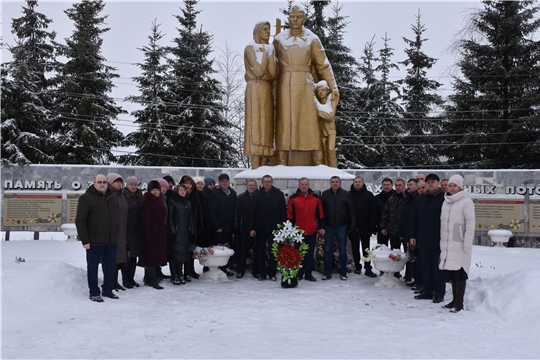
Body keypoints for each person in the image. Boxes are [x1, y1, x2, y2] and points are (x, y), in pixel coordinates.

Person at [273, 5, 338, 166]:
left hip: (305, 84)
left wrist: (333, 86)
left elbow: (323, 65)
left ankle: (318, 161)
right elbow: (272, 64)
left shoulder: (312, 39)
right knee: (284, 122)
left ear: (304, 18)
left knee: (309, 123)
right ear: (288, 18)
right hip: (284, 85)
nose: (295, 20)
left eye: (298, 17)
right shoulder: (279, 39)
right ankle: (281, 161)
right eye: (292, 17)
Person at [76, 174, 119, 302]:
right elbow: (80, 220)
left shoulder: (112, 197)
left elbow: (116, 218)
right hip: (94, 241)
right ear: (94, 183)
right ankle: (94, 292)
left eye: (104, 182)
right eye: (99, 182)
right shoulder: (86, 198)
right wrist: (85, 240)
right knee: (93, 267)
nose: (102, 184)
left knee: (110, 266)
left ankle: (108, 289)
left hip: (111, 240)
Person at [244, 21, 277, 169]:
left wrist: (270, 54)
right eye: (264, 29)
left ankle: (263, 167)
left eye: (269, 30)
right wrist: (266, 56)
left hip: (266, 90)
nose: (267, 32)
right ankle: (255, 167)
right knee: (255, 126)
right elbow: (257, 71)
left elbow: (272, 73)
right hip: (254, 89)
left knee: (266, 127)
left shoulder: (269, 49)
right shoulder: (250, 48)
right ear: (257, 31)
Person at [439, 175, 475, 313]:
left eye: (455, 186)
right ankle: (454, 300)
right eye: (450, 185)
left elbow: (470, 223)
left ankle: (460, 303)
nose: (452, 188)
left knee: (460, 273)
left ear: (460, 187)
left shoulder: (466, 202)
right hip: (448, 243)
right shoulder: (446, 201)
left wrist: (467, 242)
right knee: (452, 273)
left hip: (460, 244)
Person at [410, 173, 446, 303]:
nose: (430, 184)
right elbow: (414, 218)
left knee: (437, 267)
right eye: (428, 182)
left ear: (438, 183)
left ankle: (439, 292)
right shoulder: (420, 199)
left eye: (433, 182)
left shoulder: (444, 198)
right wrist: (413, 235)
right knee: (425, 266)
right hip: (423, 238)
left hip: (438, 238)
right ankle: (427, 291)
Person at [287, 177, 325, 282]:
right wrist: (290, 228)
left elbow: (320, 213)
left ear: (309, 185)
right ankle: (299, 273)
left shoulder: (315, 198)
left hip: (311, 230)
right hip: (298, 232)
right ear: (299, 186)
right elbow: (289, 214)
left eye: (306, 184)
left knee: (309, 253)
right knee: (298, 254)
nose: (304, 186)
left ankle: (308, 273)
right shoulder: (293, 198)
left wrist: (321, 226)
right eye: (302, 184)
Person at [250, 175, 287, 281]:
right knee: (260, 251)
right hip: (260, 228)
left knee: (274, 251)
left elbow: (282, 212)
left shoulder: (278, 194)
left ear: (272, 182)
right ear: (262, 182)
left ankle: (272, 272)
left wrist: (283, 229)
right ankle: (262, 273)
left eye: (269, 181)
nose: (267, 183)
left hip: (274, 228)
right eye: (265, 181)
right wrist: (252, 228)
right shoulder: (257, 195)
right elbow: (252, 213)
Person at [321, 176, 356, 281]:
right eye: (333, 182)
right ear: (330, 183)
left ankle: (343, 272)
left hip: (342, 226)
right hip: (329, 226)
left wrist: (352, 226)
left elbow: (351, 211)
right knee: (328, 250)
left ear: (340, 183)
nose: (335, 183)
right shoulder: (325, 194)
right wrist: (322, 225)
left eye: (336, 182)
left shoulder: (346, 194)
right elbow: (321, 211)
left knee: (342, 250)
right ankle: (327, 272)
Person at [141, 180, 168, 290]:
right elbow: (145, 220)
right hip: (151, 232)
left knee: (156, 257)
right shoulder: (147, 202)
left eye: (157, 189)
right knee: (151, 258)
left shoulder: (160, 201)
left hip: (160, 232)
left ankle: (150, 278)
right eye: (153, 190)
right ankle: (153, 279)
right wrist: (147, 236)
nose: (156, 192)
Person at [348, 176, 377, 277]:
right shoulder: (349, 195)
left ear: (363, 183)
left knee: (366, 249)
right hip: (353, 228)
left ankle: (368, 268)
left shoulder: (369, 195)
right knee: (355, 249)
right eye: (356, 182)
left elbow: (374, 211)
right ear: (353, 183)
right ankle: (357, 267)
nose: (357, 183)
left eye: (359, 182)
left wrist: (372, 226)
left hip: (365, 227)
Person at [209, 174, 237, 276]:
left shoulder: (233, 194)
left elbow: (235, 211)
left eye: (226, 181)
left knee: (227, 248)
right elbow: (212, 211)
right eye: (222, 181)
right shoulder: (215, 194)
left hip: (229, 227)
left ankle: (226, 267)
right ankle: (216, 268)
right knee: (218, 248)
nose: (225, 183)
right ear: (219, 183)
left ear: (229, 182)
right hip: (219, 228)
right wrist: (217, 226)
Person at [167, 184, 194, 285]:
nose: (183, 192)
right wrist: (173, 230)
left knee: (183, 254)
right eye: (181, 190)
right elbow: (170, 217)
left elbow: (190, 217)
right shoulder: (172, 201)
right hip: (177, 232)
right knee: (175, 254)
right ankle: (174, 275)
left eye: (184, 190)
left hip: (185, 232)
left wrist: (192, 229)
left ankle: (180, 273)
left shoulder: (188, 203)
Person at [107, 173, 129, 291]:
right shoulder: (108, 194)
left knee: (118, 259)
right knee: (112, 258)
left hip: (122, 231)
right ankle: (110, 282)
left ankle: (115, 281)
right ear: (110, 183)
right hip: (112, 232)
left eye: (120, 182)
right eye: (116, 182)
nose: (119, 184)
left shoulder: (121, 195)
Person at [234, 179, 259, 278]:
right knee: (243, 251)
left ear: (256, 186)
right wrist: (236, 228)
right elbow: (237, 214)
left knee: (257, 251)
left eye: (253, 185)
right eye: (249, 185)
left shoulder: (260, 197)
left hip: (257, 229)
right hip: (244, 228)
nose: (251, 187)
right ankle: (240, 270)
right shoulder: (241, 198)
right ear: (246, 186)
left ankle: (256, 270)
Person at [123, 176, 143, 288]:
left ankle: (132, 279)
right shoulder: (123, 196)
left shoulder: (140, 196)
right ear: (127, 185)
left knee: (134, 256)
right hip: (126, 230)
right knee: (126, 256)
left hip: (137, 231)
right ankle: (126, 279)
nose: (134, 186)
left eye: (135, 184)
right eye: (131, 184)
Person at [399, 179, 419, 286]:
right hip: (406, 232)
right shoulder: (406, 198)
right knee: (408, 255)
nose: (408, 187)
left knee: (415, 257)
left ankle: (415, 278)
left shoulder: (417, 198)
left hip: (414, 233)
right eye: (408, 185)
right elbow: (403, 217)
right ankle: (409, 276)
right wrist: (402, 233)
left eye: (411, 185)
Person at [315, 80, 338, 167]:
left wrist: (318, 112)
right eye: (319, 91)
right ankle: (324, 169)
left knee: (330, 150)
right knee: (322, 151)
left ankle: (333, 170)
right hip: (320, 130)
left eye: (323, 90)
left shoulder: (331, 100)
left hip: (330, 131)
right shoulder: (317, 103)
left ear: (327, 91)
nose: (320, 92)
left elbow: (330, 116)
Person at [380, 179, 406, 251]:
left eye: (400, 185)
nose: (398, 187)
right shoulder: (391, 199)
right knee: (394, 252)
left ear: (404, 186)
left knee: (408, 253)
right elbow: (385, 213)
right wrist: (383, 227)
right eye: (396, 185)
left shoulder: (408, 198)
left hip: (405, 231)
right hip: (393, 231)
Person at [375, 178, 395, 246]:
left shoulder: (398, 197)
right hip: (381, 227)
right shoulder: (377, 198)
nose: (386, 186)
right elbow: (375, 213)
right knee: (382, 248)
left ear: (392, 185)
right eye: (384, 185)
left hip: (394, 228)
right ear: (382, 186)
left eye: (388, 185)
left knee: (395, 250)